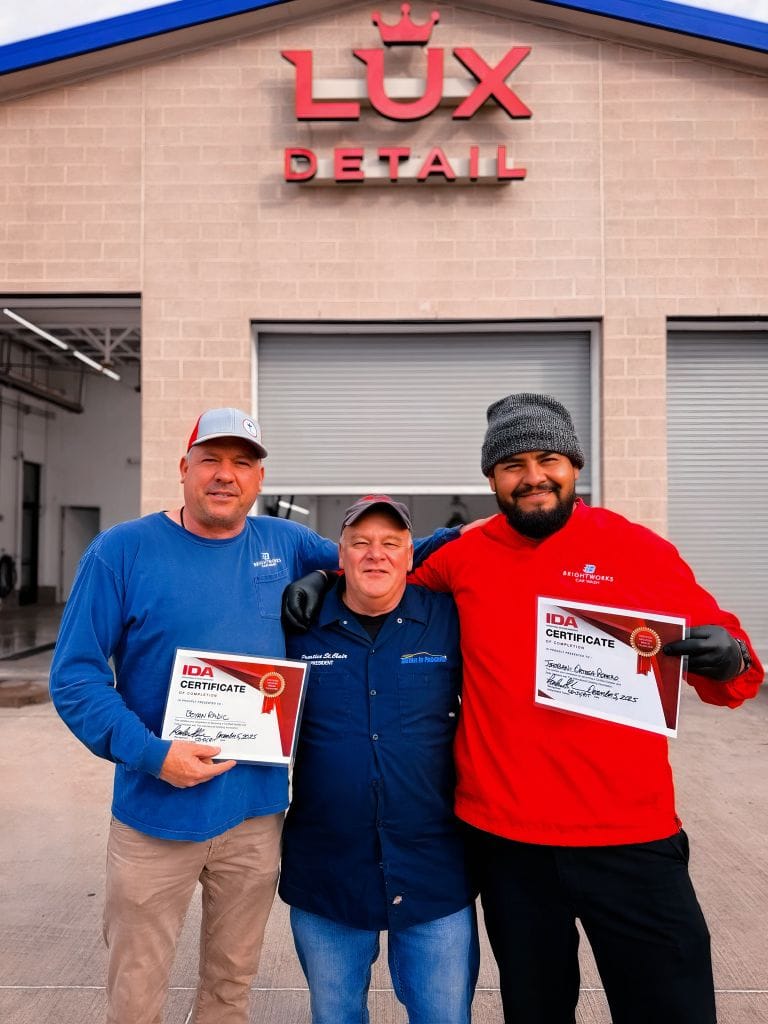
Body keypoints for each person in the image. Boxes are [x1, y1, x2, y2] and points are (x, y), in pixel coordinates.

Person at [284, 393, 764, 1024]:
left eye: (548, 459)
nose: (532, 476)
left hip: (628, 831)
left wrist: (729, 657)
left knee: (672, 1008)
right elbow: (381, 567)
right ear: (492, 480)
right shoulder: (463, 557)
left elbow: (733, 662)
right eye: (512, 465)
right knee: (535, 1010)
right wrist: (323, 575)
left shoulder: (637, 548)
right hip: (508, 841)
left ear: (574, 467)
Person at [49, 408, 460, 1024]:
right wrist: (153, 754)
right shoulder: (122, 552)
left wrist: (485, 536)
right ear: (184, 468)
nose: (225, 475)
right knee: (136, 994)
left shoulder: (284, 543)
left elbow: (371, 559)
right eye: (211, 459)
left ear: (259, 477)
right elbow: (76, 678)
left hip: (254, 817)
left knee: (230, 988)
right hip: (155, 815)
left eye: (242, 463)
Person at [279, 494, 479, 1024]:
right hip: (329, 870)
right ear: (337, 556)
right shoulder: (297, 626)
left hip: (433, 868)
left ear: (411, 557)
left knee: (444, 1017)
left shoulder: (449, 619)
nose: (376, 555)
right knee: (335, 1015)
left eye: (391, 544)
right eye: (360, 543)